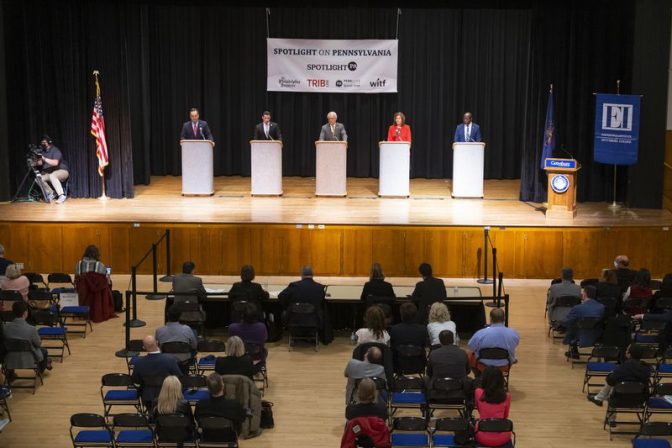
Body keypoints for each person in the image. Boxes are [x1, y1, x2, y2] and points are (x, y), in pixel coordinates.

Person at [131, 335, 183, 407]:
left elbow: (136, 381)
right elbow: (179, 377)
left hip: (149, 398)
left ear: (144, 348)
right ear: (157, 343)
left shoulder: (139, 363)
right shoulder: (170, 359)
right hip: (169, 397)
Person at [2, 301, 51, 374]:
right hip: (29, 359)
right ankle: (40, 372)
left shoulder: (5, 328)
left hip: (10, 359)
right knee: (44, 351)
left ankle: (10, 374)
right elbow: (38, 344)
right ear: (25, 313)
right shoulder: (31, 329)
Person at [468, 308, 520, 374]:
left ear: (490, 319)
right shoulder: (513, 333)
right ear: (504, 318)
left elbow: (471, 346)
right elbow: (515, 344)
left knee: (469, 354)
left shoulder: (480, 333)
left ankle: (479, 377)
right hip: (504, 365)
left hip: (483, 365)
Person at [560, 285, 605, 359]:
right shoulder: (601, 307)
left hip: (580, 335)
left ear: (585, 294)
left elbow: (567, 321)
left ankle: (574, 351)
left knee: (571, 325)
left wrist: (560, 322)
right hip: (596, 335)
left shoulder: (578, 308)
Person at [427, 330, 471, 402]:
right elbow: (468, 371)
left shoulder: (433, 354)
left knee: (426, 379)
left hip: (438, 391)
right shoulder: (462, 353)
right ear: (453, 340)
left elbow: (429, 373)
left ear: (440, 341)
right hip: (459, 393)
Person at [474, 367, 512, 447]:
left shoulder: (478, 392)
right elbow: (505, 416)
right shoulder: (507, 396)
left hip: (482, 436)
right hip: (502, 437)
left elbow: (479, 410)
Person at [36, 135, 69, 203]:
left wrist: (44, 158)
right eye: (42, 143)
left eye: (44, 142)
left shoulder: (55, 150)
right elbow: (40, 164)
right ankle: (51, 193)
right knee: (38, 178)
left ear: (49, 142)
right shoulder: (43, 152)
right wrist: (38, 158)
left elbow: (55, 163)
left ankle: (61, 195)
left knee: (52, 175)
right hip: (50, 173)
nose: (43, 144)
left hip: (62, 171)